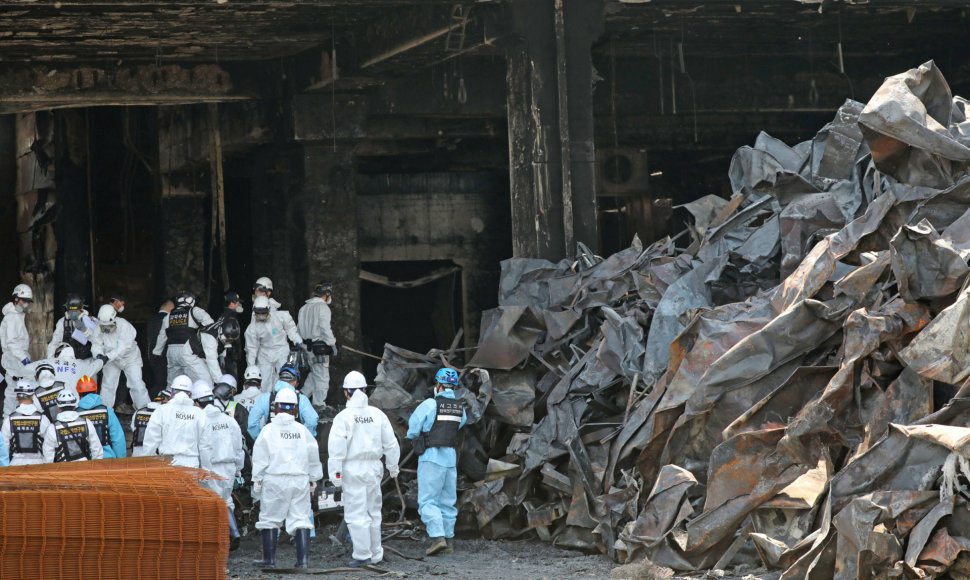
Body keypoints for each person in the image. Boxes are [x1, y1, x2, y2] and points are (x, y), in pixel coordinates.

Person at [328, 371, 401, 567]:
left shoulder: (343, 417)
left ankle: (362, 555)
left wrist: (335, 473)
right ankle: (376, 554)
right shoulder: (378, 415)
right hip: (374, 468)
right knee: (374, 513)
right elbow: (392, 444)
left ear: (346, 393)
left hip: (353, 469)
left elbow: (336, 449)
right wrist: (393, 466)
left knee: (356, 514)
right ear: (366, 391)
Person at [251, 387, 323, 569]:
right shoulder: (302, 431)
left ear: (275, 408)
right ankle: (303, 561)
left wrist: (257, 479)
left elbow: (259, 456)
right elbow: (314, 456)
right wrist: (314, 478)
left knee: (269, 519)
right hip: (299, 480)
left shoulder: (268, 430)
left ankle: (269, 560)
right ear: (296, 409)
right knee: (301, 519)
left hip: (275, 480)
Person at [407, 368, 467, 556]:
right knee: (448, 501)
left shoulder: (429, 404)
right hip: (450, 458)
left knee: (427, 500)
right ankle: (448, 541)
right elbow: (460, 424)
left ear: (439, 384)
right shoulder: (459, 407)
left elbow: (413, 429)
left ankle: (437, 539)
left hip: (431, 457)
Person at [196, 379, 245, 551]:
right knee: (225, 500)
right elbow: (239, 446)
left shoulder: (201, 421)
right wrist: (238, 468)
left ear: (196, 402)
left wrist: (205, 471)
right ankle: (233, 533)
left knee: (211, 503)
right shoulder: (228, 420)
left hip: (213, 467)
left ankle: (223, 537)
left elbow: (204, 448)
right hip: (229, 467)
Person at [141, 374, 206, 467]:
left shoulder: (162, 410)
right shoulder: (199, 413)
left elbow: (151, 439)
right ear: (191, 395)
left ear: (171, 392)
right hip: (191, 463)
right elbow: (205, 444)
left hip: (168, 462)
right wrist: (206, 468)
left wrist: (147, 462)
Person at [152, 291, 215, 384]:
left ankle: (171, 396)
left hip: (171, 352)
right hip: (188, 350)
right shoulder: (195, 311)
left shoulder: (169, 315)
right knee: (198, 382)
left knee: (173, 383)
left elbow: (162, 336)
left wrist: (157, 352)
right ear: (191, 300)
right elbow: (212, 327)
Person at [245, 296, 304, 392]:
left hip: (281, 350)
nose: (260, 315)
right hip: (264, 352)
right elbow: (251, 348)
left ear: (269, 309)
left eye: (263, 312)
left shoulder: (280, 316)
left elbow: (290, 328)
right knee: (264, 380)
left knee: (285, 376)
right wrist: (251, 367)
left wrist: (297, 340)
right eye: (258, 313)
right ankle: (266, 401)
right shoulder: (252, 328)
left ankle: (283, 398)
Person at [97, 304, 150, 411]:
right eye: (104, 326)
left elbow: (123, 347)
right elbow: (96, 343)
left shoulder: (125, 326)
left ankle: (144, 409)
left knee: (136, 383)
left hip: (130, 359)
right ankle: (105, 410)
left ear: (114, 318)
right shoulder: (98, 327)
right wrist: (98, 354)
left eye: (109, 325)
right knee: (107, 384)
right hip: (111, 359)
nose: (106, 329)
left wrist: (107, 357)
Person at [247, 365, 318, 441]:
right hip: (294, 445)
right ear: (295, 381)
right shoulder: (301, 399)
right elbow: (312, 421)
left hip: (272, 445)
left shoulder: (266, 398)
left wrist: (261, 440)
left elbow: (252, 423)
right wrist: (303, 438)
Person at [298, 282, 338, 408]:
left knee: (314, 375)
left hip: (307, 347)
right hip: (319, 348)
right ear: (326, 294)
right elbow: (325, 328)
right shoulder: (323, 307)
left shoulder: (303, 308)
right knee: (322, 377)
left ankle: (301, 399)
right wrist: (332, 343)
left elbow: (298, 330)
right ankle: (319, 405)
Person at [42, 388, 104, 463]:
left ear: (58, 408)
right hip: (85, 468)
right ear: (74, 406)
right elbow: (97, 450)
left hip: (63, 470)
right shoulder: (86, 423)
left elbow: (48, 455)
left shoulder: (52, 428)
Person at [75, 375, 127, 459]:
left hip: (83, 461)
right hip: (107, 459)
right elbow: (117, 439)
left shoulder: (76, 414)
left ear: (78, 393)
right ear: (96, 391)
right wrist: (121, 460)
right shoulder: (106, 411)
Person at [1, 379, 51, 465]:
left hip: (15, 465)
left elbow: (3, 447)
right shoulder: (42, 419)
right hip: (38, 464)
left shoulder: (9, 420)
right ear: (32, 396)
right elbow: (49, 446)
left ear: (17, 398)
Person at [2, 284, 33, 417]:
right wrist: (23, 359)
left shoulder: (18, 315)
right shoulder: (12, 317)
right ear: (16, 299)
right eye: (23, 300)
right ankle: (9, 419)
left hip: (17, 358)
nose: (25, 304)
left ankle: (12, 418)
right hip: (15, 359)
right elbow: (12, 342)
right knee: (15, 390)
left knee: (15, 389)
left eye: (27, 301)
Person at [46, 294, 106, 363]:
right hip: (69, 363)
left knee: (87, 374)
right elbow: (54, 344)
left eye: (75, 311)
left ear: (82, 308)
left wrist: (85, 330)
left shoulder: (91, 321)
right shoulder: (63, 322)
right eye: (70, 311)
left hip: (87, 362)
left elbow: (98, 341)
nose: (73, 313)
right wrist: (50, 361)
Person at [213, 374, 253, 450]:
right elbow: (246, 430)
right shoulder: (235, 407)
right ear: (232, 390)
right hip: (232, 449)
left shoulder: (208, 405)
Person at [131, 388, 171, 457]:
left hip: (136, 454)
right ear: (165, 400)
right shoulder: (164, 414)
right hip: (154, 456)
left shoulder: (138, 412)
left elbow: (133, 428)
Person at [200, 317, 241, 384]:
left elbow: (222, 343)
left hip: (206, 354)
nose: (229, 341)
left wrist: (222, 355)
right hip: (193, 355)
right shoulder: (211, 338)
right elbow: (212, 361)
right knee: (206, 379)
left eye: (231, 340)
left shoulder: (223, 331)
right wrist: (221, 382)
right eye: (228, 339)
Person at [147, 299, 174, 398]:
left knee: (156, 380)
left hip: (152, 354)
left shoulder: (151, 320)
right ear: (171, 308)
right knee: (163, 383)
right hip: (164, 355)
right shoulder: (168, 319)